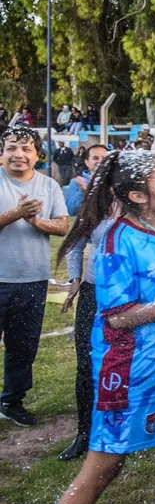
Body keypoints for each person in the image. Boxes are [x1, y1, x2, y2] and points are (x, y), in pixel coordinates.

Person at [54, 150, 155, 504]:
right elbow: (119, 317)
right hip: (130, 367)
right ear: (138, 196)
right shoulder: (117, 241)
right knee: (106, 464)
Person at [0, 127, 69, 427]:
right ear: (1, 153)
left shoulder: (49, 185)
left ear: (38, 154)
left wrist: (36, 221)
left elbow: (63, 226)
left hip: (32, 279)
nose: (19, 154)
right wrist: (15, 214)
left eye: (26, 148)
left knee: (23, 348)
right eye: (12, 148)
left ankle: (12, 402)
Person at [60, 146, 112, 461]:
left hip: (128, 296)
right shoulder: (92, 203)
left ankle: (122, 428)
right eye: (97, 159)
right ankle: (84, 432)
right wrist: (74, 279)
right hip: (93, 292)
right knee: (86, 363)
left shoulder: (135, 201)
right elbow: (76, 244)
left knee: (123, 361)